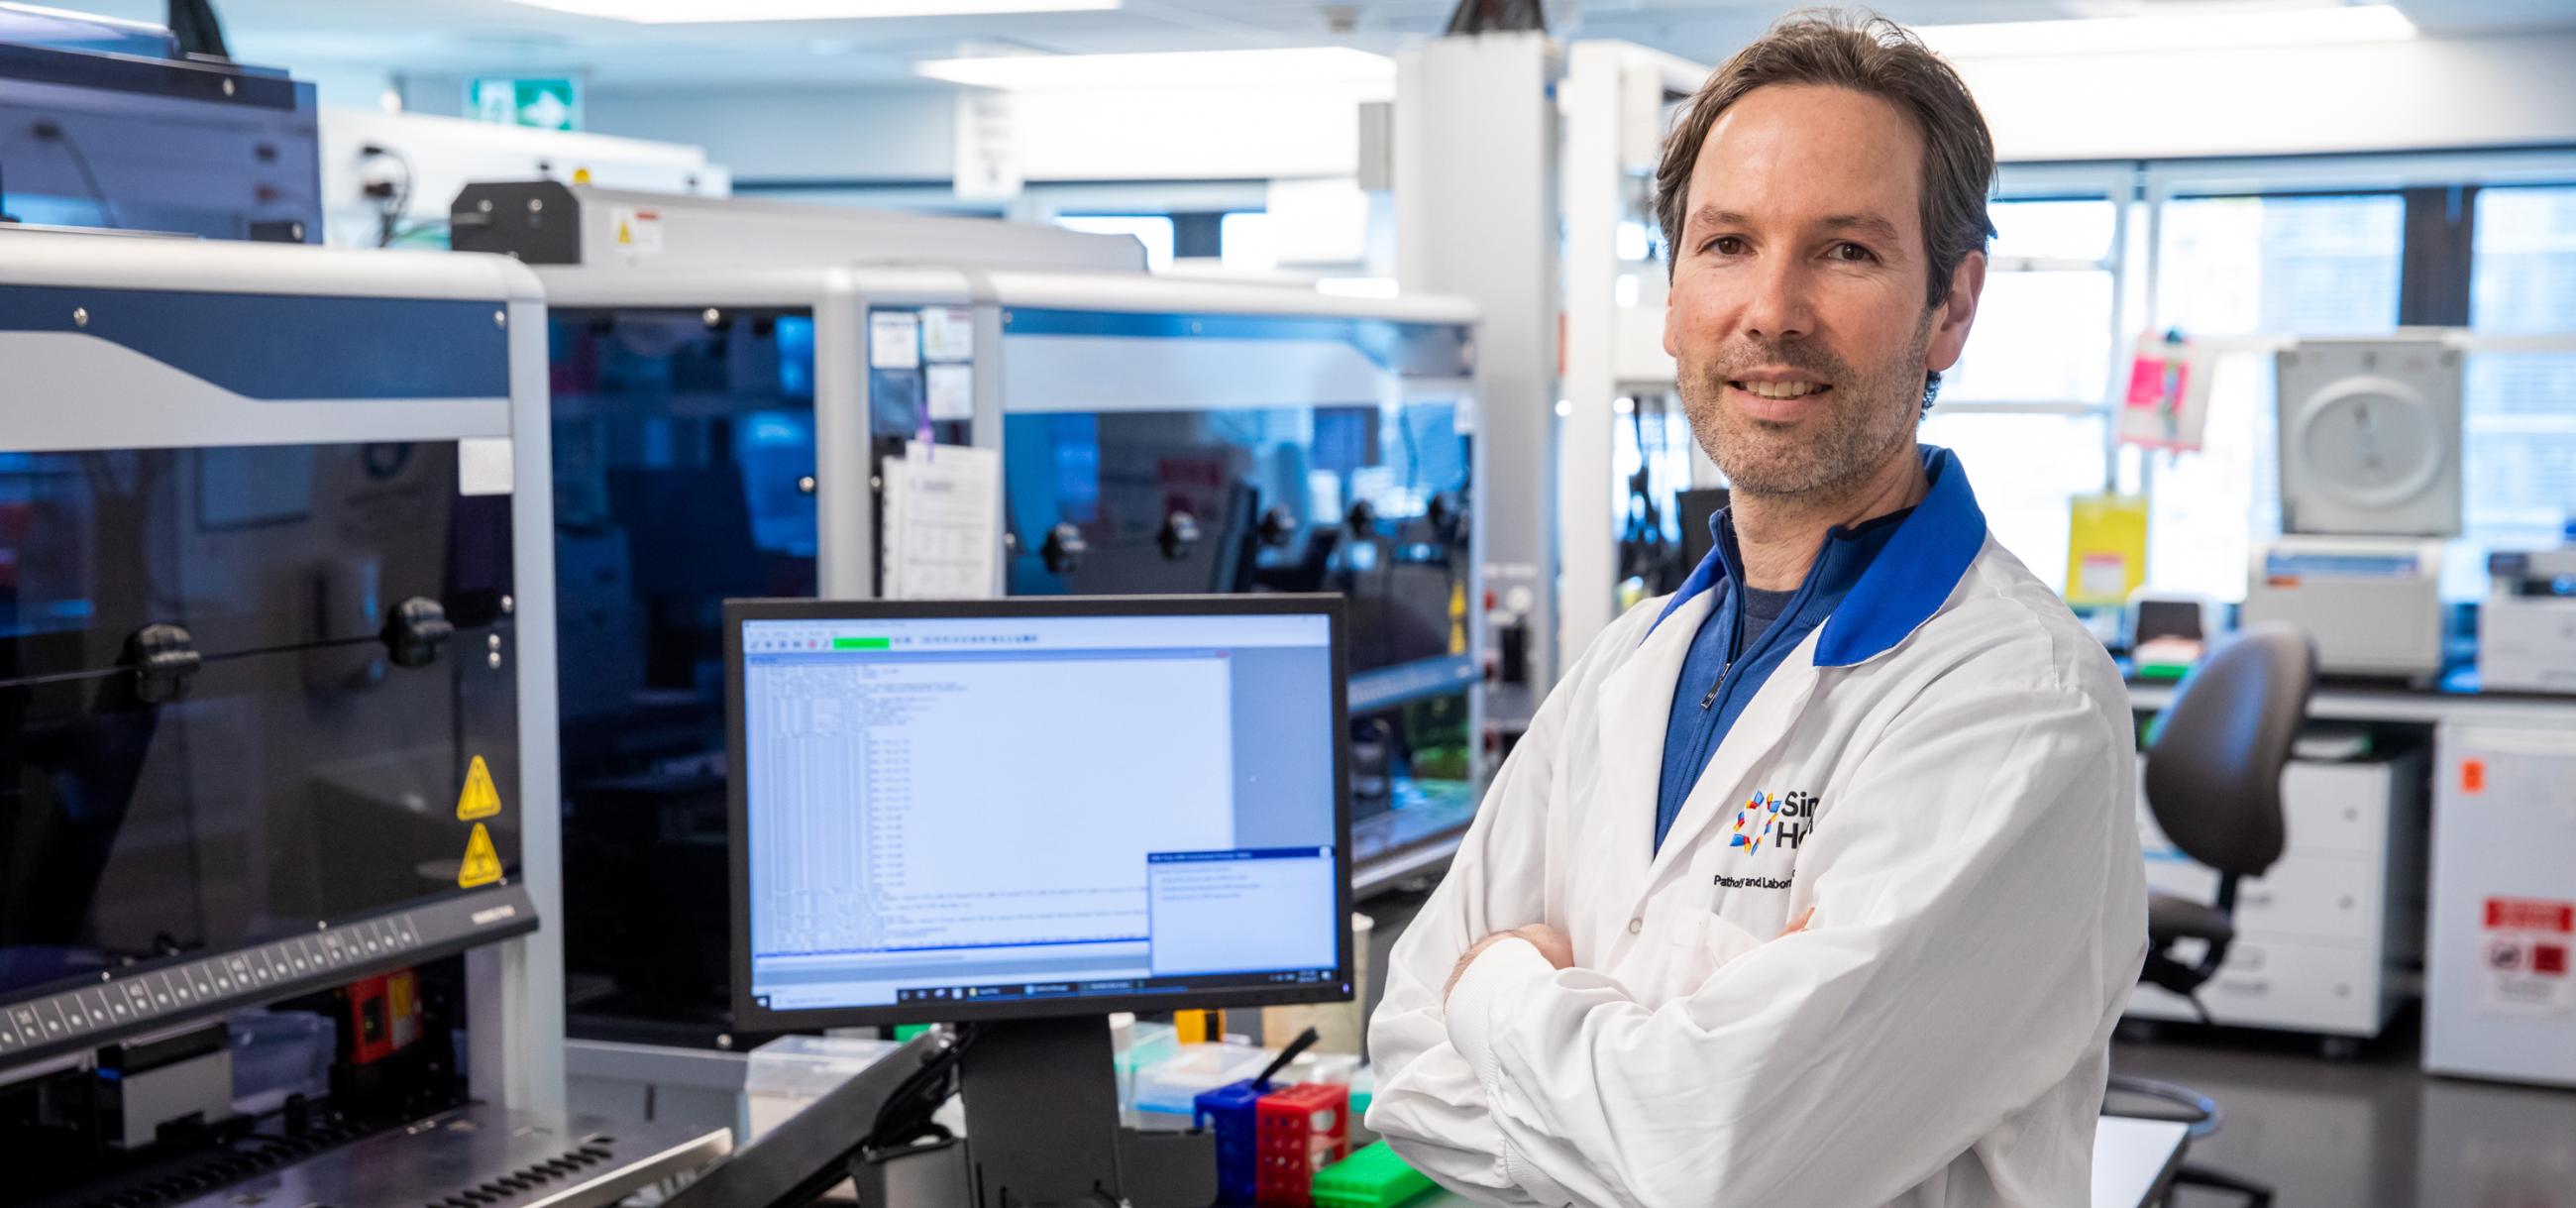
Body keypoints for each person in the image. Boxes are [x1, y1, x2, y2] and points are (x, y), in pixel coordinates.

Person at [1364, 13, 2148, 1206]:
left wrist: (1497, 989)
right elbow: (1406, 1064)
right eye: (1726, 243)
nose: (1770, 310)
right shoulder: (1631, 662)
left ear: (1950, 307)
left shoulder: (2016, 706)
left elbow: (1712, 1162)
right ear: (1672, 297)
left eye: (1843, 252)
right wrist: (1632, 1101)